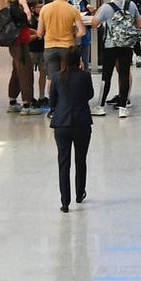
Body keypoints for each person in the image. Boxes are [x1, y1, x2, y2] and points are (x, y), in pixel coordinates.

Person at [48, 50, 94, 212]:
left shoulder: (56, 77)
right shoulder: (85, 76)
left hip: (61, 124)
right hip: (81, 122)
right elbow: (90, 95)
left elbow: (52, 101)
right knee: (81, 160)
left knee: (63, 162)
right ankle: (80, 193)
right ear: (79, 61)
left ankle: (65, 202)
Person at [94, 0, 141, 117]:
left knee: (107, 75)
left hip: (110, 45)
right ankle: (123, 107)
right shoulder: (131, 5)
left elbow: (94, 24)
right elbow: (139, 24)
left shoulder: (106, 7)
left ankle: (101, 105)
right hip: (127, 45)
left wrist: (99, 12)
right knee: (124, 74)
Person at [38, 0, 86, 93]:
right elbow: (82, 32)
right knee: (67, 76)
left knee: (51, 78)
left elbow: (40, 32)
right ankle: (65, 102)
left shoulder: (45, 9)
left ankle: (53, 105)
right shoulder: (73, 9)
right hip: (67, 47)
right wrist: (73, 35)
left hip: (50, 46)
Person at [1, 0, 37, 114]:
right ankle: (27, 105)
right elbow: (29, 20)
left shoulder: (11, 8)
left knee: (16, 71)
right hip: (19, 44)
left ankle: (12, 101)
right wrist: (26, 7)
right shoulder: (17, 8)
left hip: (16, 43)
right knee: (26, 71)